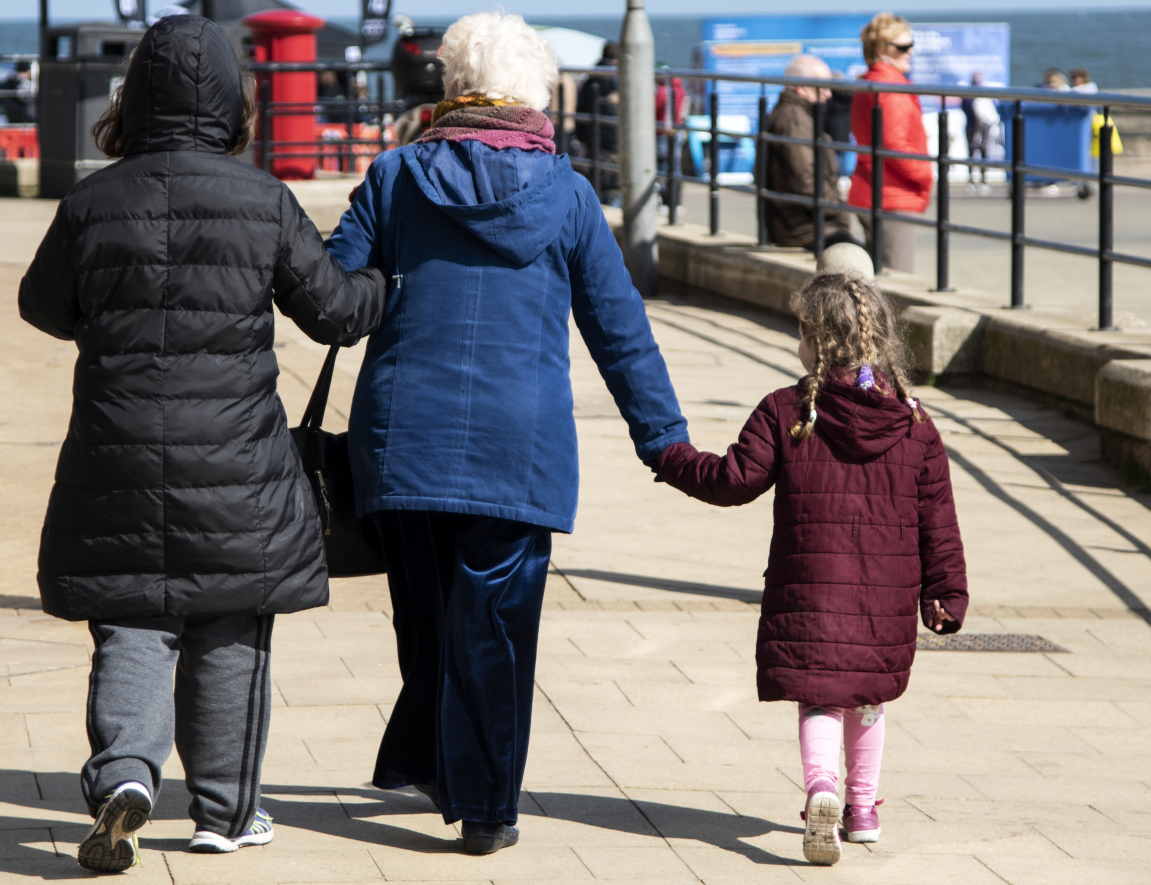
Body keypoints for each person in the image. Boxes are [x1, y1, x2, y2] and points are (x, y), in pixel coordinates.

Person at [17, 15, 385, 873]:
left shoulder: (91, 198)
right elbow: (334, 310)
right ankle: (226, 812)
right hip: (239, 467)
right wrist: (385, 282)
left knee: (132, 621)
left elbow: (42, 305)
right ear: (230, 99)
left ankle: (126, 776)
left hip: (114, 455)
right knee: (230, 628)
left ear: (134, 95)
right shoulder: (262, 199)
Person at [324, 11, 688, 857]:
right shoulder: (564, 194)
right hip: (516, 449)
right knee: (495, 626)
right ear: (536, 96)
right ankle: (485, 805)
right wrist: (662, 437)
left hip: (402, 436)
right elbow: (617, 326)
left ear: (451, 88)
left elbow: (333, 292)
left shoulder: (394, 176)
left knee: (427, 616)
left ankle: (439, 765)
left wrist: (396, 282)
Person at [656, 272, 968, 866]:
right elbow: (939, 520)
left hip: (810, 595)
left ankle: (821, 787)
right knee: (869, 696)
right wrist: (946, 592)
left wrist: (672, 457)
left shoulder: (787, 409)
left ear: (813, 343)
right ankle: (863, 808)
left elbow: (732, 481)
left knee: (820, 695)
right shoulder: (915, 423)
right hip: (885, 599)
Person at [849, 13, 932, 274]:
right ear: (881, 50)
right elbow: (893, 143)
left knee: (879, 275)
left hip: (874, 188)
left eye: (911, 45)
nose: (910, 52)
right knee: (897, 279)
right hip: (892, 194)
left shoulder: (870, 83)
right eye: (903, 47)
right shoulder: (889, 87)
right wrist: (925, 174)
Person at [766, 55, 855, 250]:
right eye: (822, 86)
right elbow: (807, 180)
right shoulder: (794, 121)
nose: (828, 94)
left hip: (808, 226)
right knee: (861, 262)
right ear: (800, 87)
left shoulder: (799, 115)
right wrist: (838, 209)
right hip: (804, 229)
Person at [575, 41, 619, 199]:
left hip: (587, 129)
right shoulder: (610, 76)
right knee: (608, 172)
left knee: (594, 167)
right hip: (606, 133)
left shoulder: (592, 74)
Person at [961, 72, 999, 186]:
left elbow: (991, 109)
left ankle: (984, 180)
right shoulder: (967, 94)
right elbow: (965, 107)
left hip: (984, 126)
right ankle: (971, 179)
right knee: (971, 151)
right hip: (971, 125)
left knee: (984, 150)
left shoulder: (985, 92)